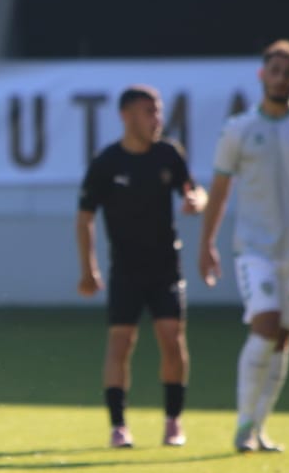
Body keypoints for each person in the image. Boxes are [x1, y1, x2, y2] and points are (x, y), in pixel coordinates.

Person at [199, 40, 289, 453]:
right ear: (262, 75)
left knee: (283, 337)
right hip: (254, 248)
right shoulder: (239, 129)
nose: (280, 79)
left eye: (288, 73)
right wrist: (206, 242)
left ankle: (258, 427)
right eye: (274, 71)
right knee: (265, 326)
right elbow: (220, 189)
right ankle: (243, 424)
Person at [75, 85, 206, 449]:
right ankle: (118, 426)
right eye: (150, 111)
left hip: (165, 266)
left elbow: (195, 190)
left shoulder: (168, 154)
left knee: (172, 339)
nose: (157, 119)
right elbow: (84, 217)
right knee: (120, 343)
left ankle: (173, 421)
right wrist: (88, 268)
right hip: (125, 269)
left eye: (158, 111)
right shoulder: (107, 163)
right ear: (126, 115)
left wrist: (196, 201)